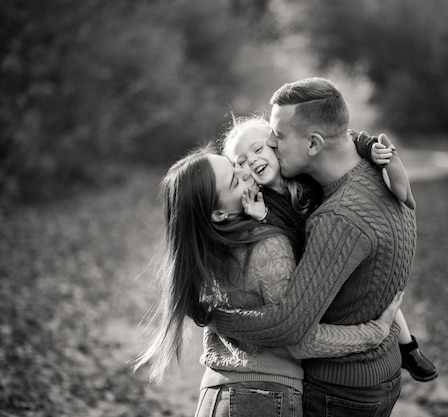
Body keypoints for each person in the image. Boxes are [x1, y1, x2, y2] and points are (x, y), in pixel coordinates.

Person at [133, 146, 404, 417]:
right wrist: (374, 333)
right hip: (262, 398)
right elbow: (300, 338)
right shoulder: (267, 246)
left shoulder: (204, 257)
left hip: (213, 395)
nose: (245, 172)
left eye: (234, 165)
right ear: (218, 213)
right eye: (235, 180)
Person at [210, 77, 419, 417]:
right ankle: (407, 346)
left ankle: (410, 345)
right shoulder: (356, 175)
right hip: (370, 375)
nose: (273, 145)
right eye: (241, 162)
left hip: (341, 386)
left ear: (313, 144)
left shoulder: (332, 209)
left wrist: (217, 317)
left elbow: (292, 327)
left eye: (274, 139)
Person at [221, 116, 438, 383]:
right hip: (314, 267)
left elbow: (340, 140)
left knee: (381, 290)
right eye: (241, 161)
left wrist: (368, 145)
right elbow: (281, 249)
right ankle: (352, 346)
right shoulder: (261, 204)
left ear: (276, 145)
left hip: (340, 246)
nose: (252, 161)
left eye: (258, 149)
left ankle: (409, 347)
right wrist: (262, 217)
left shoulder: (304, 173)